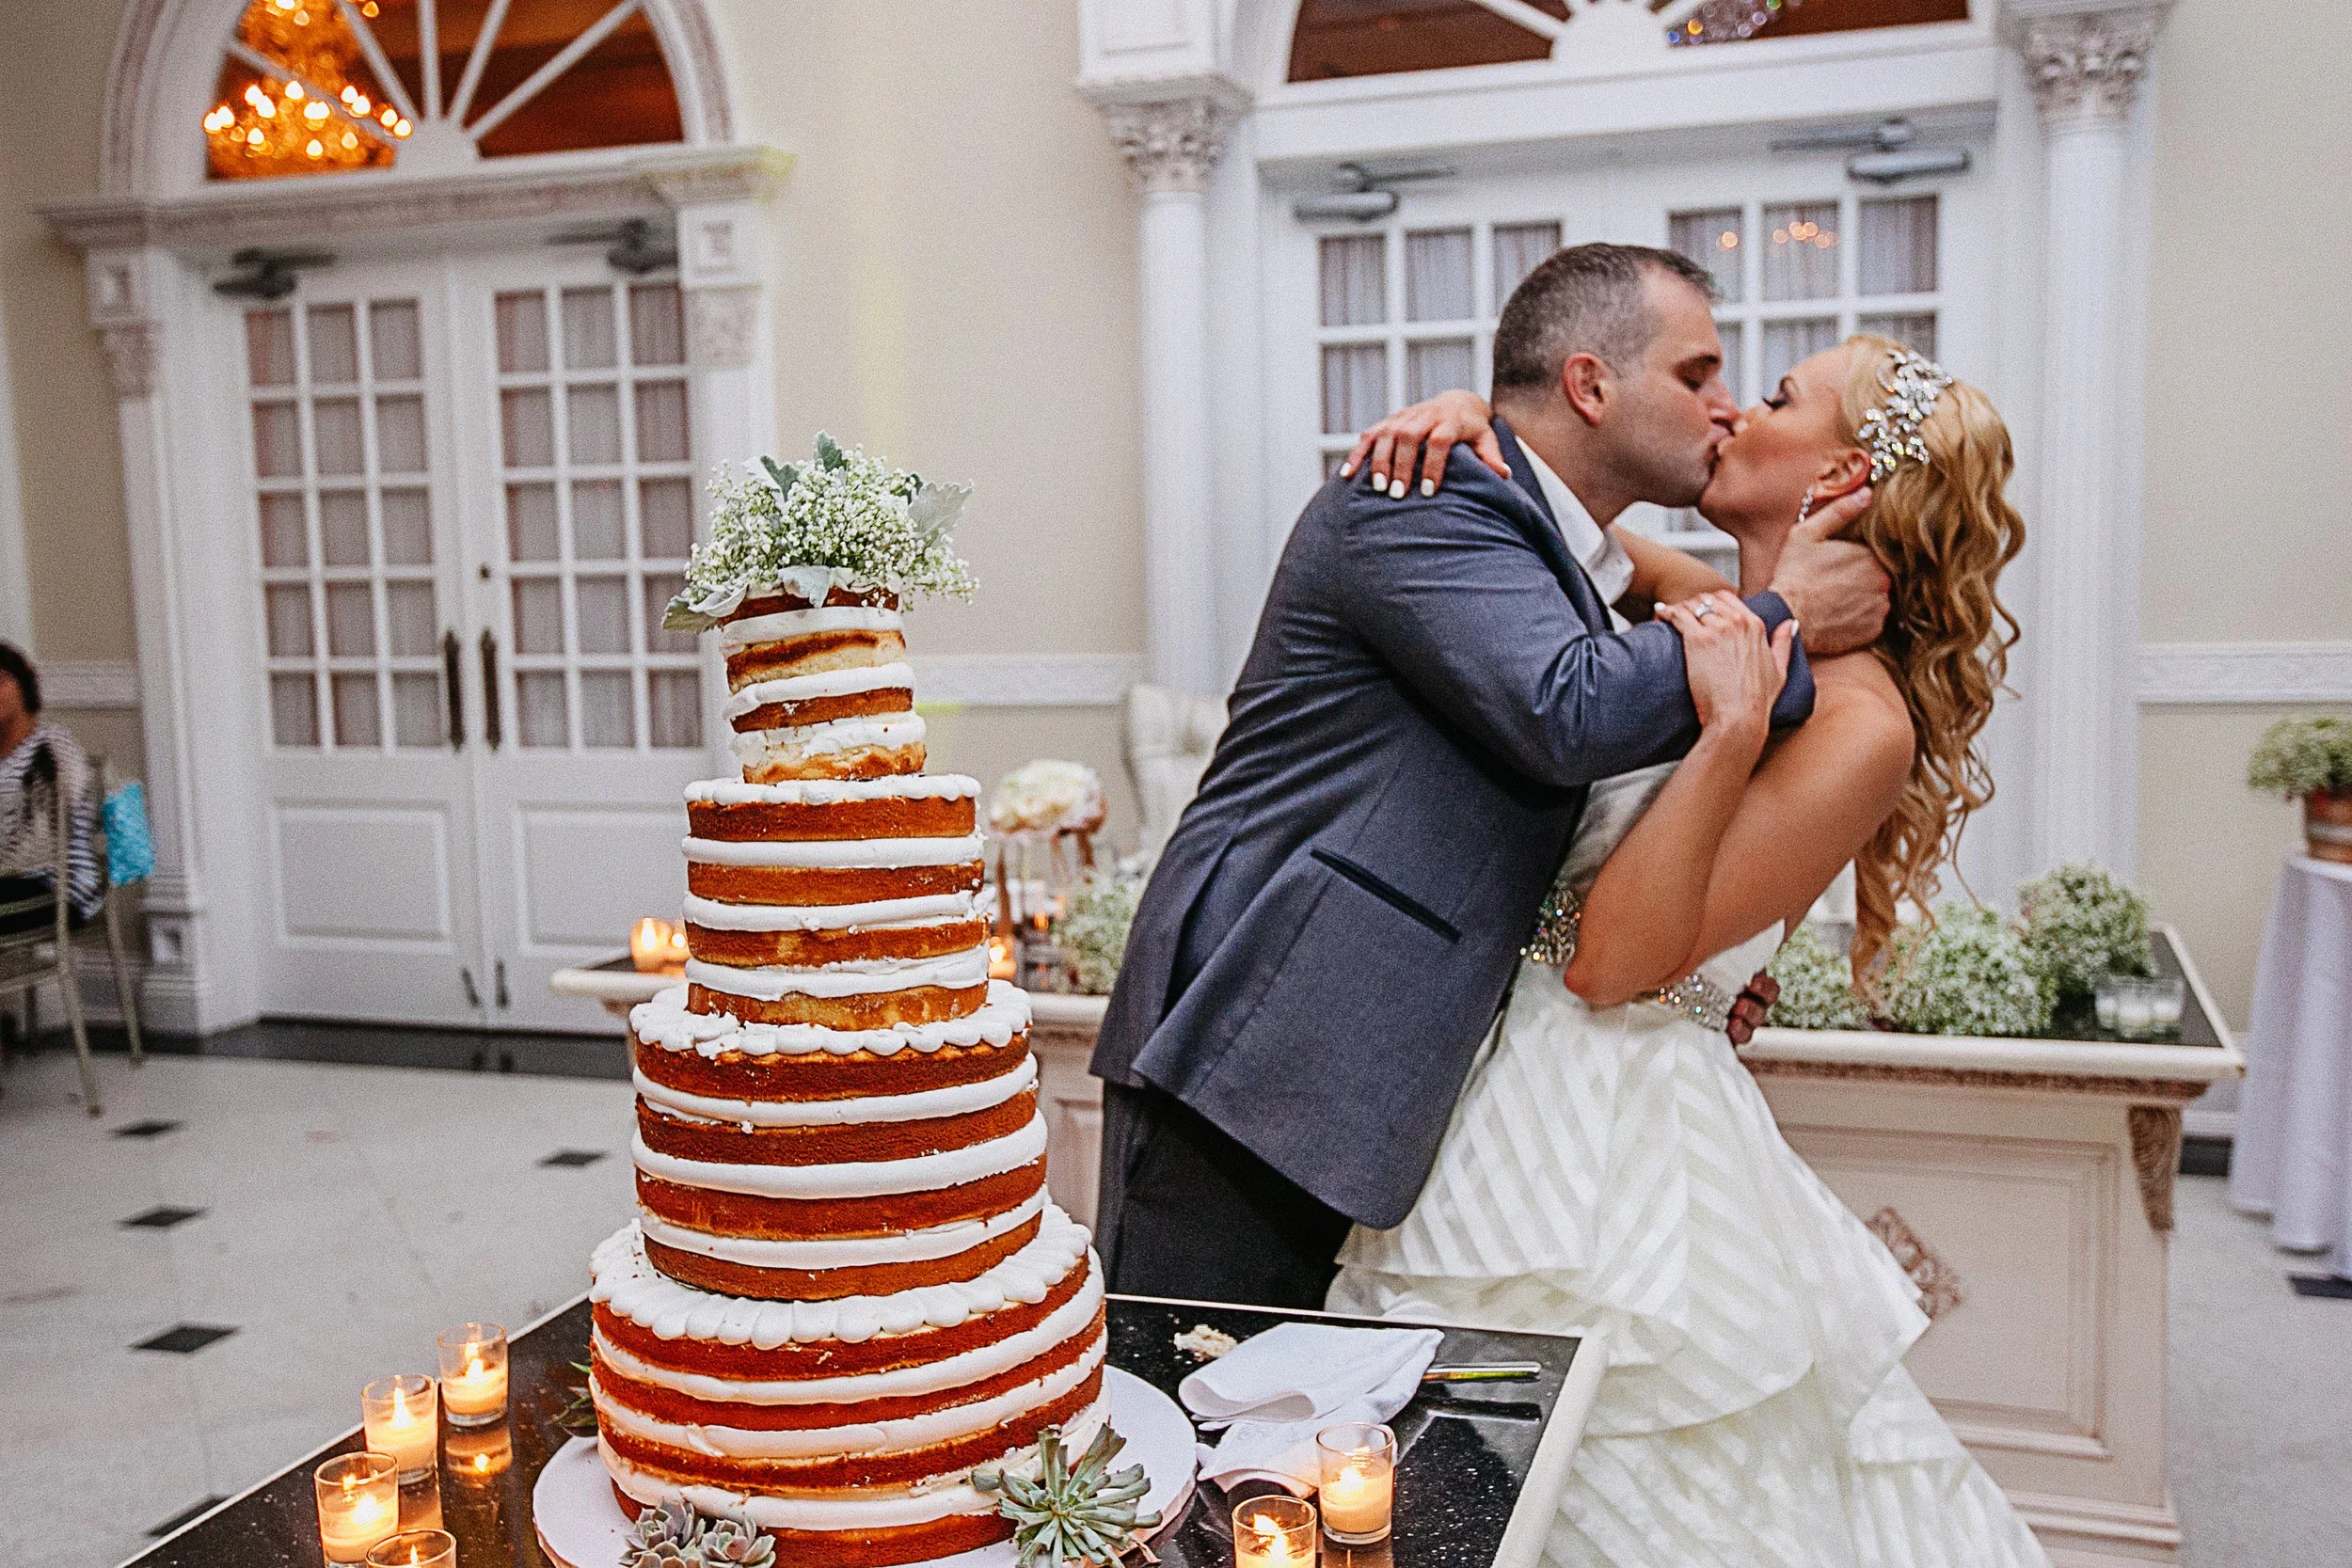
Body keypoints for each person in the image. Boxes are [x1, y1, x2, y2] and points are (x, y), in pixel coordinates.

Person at [1325, 338, 2041, 1565]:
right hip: (1495, 1076)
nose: (1731, 410)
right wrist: (1472, 420)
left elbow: (1612, 960)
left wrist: (1727, 733)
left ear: (1845, 476)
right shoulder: (1722, 605)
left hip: (1608, 1137)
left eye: (1773, 398)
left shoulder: (1862, 719)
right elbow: (1562, 517)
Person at [1088, 244, 1894, 1308]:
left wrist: (1699, 971)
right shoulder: (1420, 491)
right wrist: (1784, 613)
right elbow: (1569, 708)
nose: (1726, 407)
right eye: (1696, 374)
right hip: (1265, 1040)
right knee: (1183, 1385)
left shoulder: (1576, 554)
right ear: (1590, 384)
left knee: (1302, 1441)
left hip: (1413, 1070)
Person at [0, 643, 102, 938]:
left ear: (25, 684)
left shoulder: (52, 745)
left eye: (1, 680)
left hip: (56, 889)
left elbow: (71, 806)